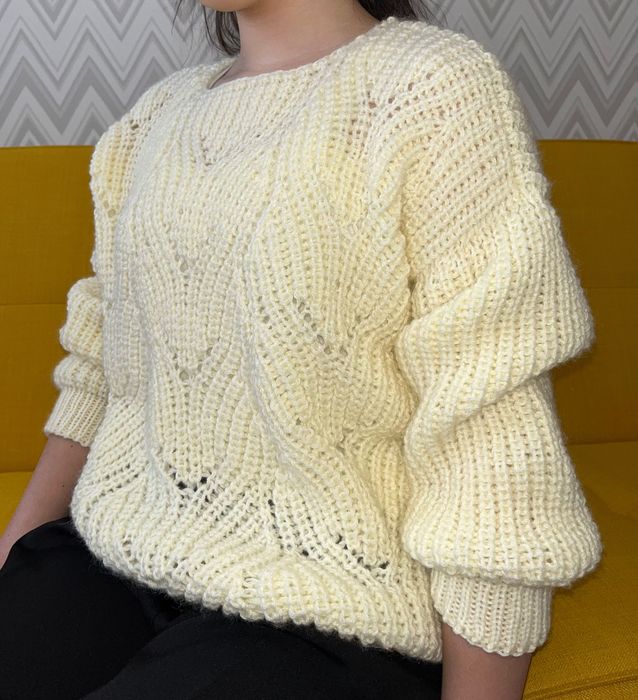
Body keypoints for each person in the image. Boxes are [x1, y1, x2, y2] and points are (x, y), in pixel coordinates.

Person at [0, 1, 603, 698]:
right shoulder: (153, 118)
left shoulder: (431, 87)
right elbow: (102, 358)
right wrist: (17, 550)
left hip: (334, 610)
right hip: (117, 554)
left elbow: (490, 423)